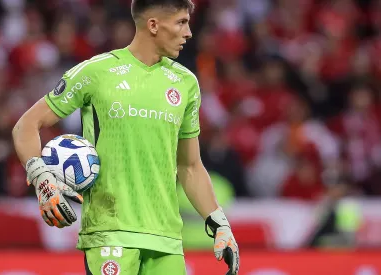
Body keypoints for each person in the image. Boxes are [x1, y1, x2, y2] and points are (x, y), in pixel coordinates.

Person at [12, 0, 240, 274]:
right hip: (110, 233)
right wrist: (41, 177)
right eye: (181, 22)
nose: (189, 32)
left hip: (166, 239)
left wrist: (219, 223)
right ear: (153, 25)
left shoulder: (185, 83)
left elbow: (190, 166)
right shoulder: (96, 72)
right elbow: (26, 125)